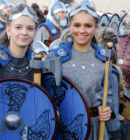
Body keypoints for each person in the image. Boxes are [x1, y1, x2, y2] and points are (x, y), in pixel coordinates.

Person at [51, 4, 120, 139]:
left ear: (96, 28)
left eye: (88, 26)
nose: (82, 30)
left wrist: (107, 111)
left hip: (94, 129)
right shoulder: (55, 57)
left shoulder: (103, 59)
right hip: (65, 129)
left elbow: (110, 96)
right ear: (70, 26)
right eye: (77, 25)